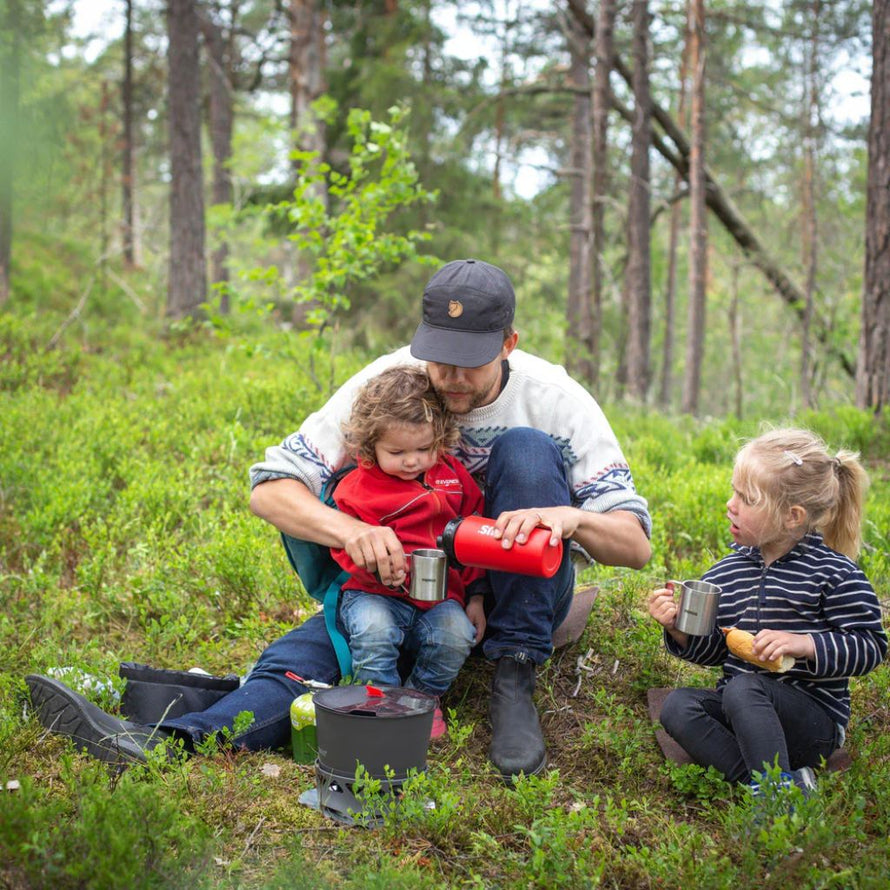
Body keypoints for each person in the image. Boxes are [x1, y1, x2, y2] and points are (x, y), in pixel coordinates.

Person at [26, 258, 651, 781]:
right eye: (439, 359)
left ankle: (513, 680)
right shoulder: (393, 385)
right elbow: (271, 490)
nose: (451, 379)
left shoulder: (556, 398)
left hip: (509, 599)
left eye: (471, 362)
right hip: (394, 590)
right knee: (301, 663)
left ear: (509, 343)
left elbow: (635, 545)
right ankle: (166, 742)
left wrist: (567, 516)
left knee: (526, 449)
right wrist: (351, 532)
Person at [648, 428, 887, 795]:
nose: (731, 504)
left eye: (746, 498)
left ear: (792, 516)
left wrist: (805, 644)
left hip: (809, 725)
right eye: (734, 492)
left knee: (744, 689)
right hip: (740, 718)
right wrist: (680, 629)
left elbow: (871, 647)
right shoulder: (727, 572)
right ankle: (777, 786)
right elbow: (718, 648)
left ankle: (772, 795)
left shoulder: (833, 572)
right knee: (678, 706)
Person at [331, 365, 488, 738]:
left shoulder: (452, 477)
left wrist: (477, 596)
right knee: (374, 632)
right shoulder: (358, 486)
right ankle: (378, 704)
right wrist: (374, 566)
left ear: (441, 438)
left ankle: (420, 700)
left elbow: (476, 532)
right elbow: (340, 545)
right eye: (397, 451)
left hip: (440, 596)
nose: (413, 461)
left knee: (456, 635)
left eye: (424, 449)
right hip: (373, 593)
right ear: (370, 447)